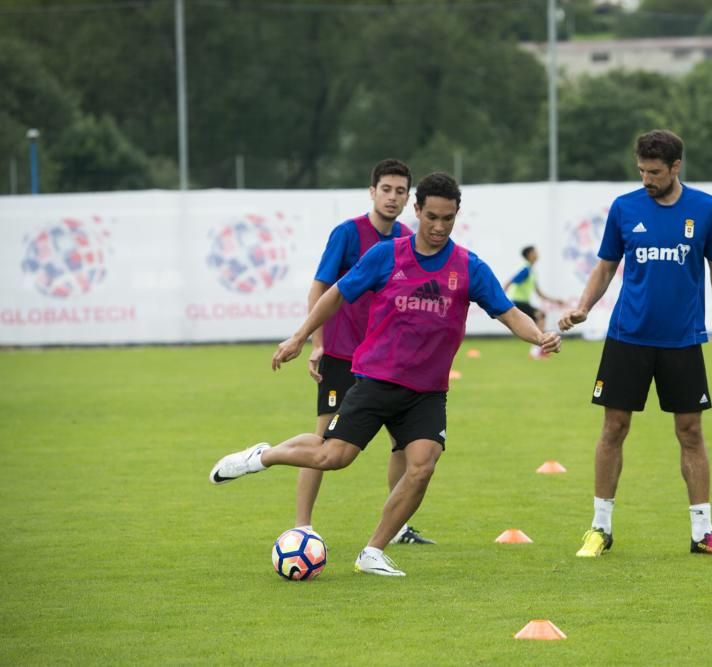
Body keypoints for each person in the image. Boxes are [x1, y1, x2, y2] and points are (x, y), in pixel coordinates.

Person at [210, 173, 562, 577]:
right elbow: (336, 294)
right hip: (376, 380)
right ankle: (263, 456)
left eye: (448, 218)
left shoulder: (468, 266)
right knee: (332, 456)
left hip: (427, 391)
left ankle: (373, 551)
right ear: (417, 210)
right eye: (431, 216)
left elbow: (508, 312)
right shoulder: (387, 255)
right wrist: (301, 337)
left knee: (423, 464)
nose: (439, 226)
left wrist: (539, 335)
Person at [559, 129, 712, 559]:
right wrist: (585, 306)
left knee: (691, 431)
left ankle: (703, 533)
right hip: (628, 338)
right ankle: (600, 529)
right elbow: (606, 267)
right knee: (614, 428)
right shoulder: (624, 208)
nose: (647, 179)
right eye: (641, 170)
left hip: (682, 341)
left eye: (655, 172)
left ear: (676, 167)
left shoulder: (706, 209)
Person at [300, 158, 434, 546]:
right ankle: (302, 526)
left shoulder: (407, 239)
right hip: (342, 354)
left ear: (409, 198)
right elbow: (320, 290)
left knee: (403, 445)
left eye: (400, 191)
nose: (392, 197)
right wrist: (318, 344)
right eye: (386, 189)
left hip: (389, 361)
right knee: (323, 444)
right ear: (372, 191)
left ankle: (397, 530)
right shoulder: (347, 234)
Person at [503, 245, 567, 358]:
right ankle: (537, 350)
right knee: (541, 316)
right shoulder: (526, 270)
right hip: (518, 302)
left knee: (540, 317)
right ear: (529, 255)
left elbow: (539, 293)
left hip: (523, 303)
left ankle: (537, 349)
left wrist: (555, 301)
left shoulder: (532, 272)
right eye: (534, 252)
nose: (537, 253)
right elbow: (510, 281)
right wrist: (501, 297)